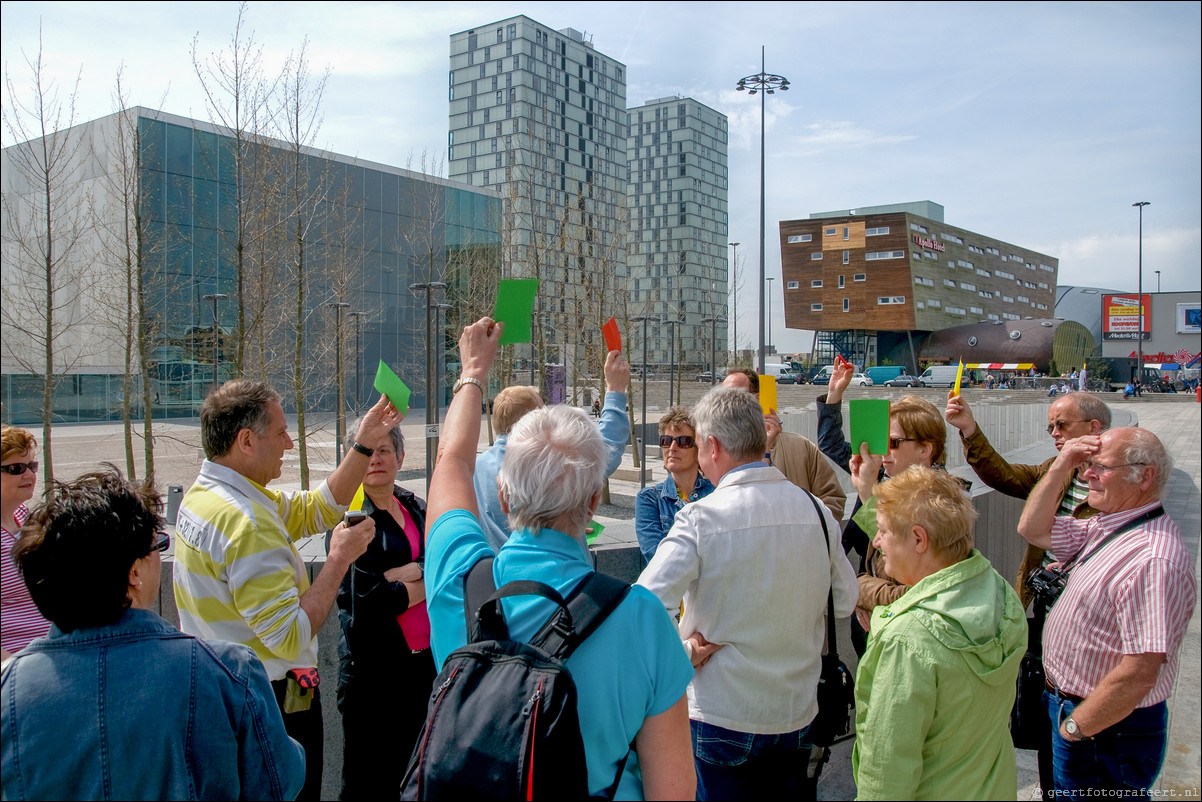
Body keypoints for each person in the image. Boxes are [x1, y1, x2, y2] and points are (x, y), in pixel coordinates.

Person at [424, 317, 696, 800]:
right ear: (593, 503)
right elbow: (672, 791)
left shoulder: (459, 577)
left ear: (504, 498)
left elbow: (452, 461)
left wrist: (473, 372)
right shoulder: (643, 619)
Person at [0, 466, 304, 801]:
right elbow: (279, 782)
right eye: (157, 546)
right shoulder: (227, 671)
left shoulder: (9, 690)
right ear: (134, 572)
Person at [173, 380, 402, 801]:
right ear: (245, 441)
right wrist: (338, 559)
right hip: (270, 707)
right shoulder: (248, 523)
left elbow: (318, 507)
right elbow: (291, 634)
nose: (289, 443)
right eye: (279, 432)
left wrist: (364, 445)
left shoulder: (207, 497)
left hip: (225, 697)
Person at [639, 386, 858, 801]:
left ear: (714, 447)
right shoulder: (814, 510)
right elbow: (844, 601)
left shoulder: (699, 518)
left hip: (723, 712)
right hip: (796, 711)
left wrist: (685, 653)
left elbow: (644, 608)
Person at [945, 388, 1109, 796]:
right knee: (1043, 713)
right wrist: (969, 429)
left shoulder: (1115, 481)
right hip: (1044, 606)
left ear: (1094, 428)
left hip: (1088, 621)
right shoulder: (1059, 468)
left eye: (1061, 425)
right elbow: (1005, 476)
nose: (1053, 432)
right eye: (1050, 426)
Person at [1017, 427, 1196, 800]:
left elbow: (1140, 672)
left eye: (1100, 467)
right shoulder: (1109, 525)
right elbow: (1031, 528)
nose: (1086, 475)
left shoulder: (1151, 559)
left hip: (1106, 726)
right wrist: (1062, 463)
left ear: (1145, 476)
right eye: (1086, 466)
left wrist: (1076, 728)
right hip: (1077, 711)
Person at [852, 466, 1027, 800]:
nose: (876, 541)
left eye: (884, 531)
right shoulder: (998, 591)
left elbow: (887, 770)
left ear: (919, 539)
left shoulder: (907, 640)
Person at [818, 359, 955, 656]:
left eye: (893, 443)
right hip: (872, 614)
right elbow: (830, 443)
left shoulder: (941, 502)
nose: (884, 451)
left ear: (925, 449)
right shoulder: (880, 471)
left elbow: (917, 588)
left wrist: (863, 593)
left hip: (900, 628)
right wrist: (834, 395)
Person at [330, 419, 433, 800]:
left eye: (385, 450)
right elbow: (371, 601)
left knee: (414, 780)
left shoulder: (417, 507)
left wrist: (417, 572)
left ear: (401, 456)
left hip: (423, 669)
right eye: (368, 451)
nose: (376, 459)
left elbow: (445, 566)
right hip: (373, 677)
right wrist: (425, 584)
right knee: (368, 786)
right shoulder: (352, 520)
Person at [474, 350, 631, 553]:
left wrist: (563, 522)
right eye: (543, 412)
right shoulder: (546, 460)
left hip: (498, 577)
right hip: (561, 575)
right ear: (531, 422)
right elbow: (607, 446)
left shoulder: (476, 467)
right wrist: (616, 391)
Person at [721, 368, 846, 521]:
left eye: (734, 397)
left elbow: (833, 500)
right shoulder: (716, 452)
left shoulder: (801, 447)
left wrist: (796, 527)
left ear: (757, 399)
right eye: (722, 398)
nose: (726, 405)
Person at [634, 406, 715, 563]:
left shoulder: (717, 492)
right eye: (666, 441)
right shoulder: (649, 499)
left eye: (683, 442)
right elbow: (657, 558)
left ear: (699, 449)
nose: (672, 448)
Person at [1, 425, 50, 660]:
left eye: (31, 466)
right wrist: (15, 670)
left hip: (50, 654)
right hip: (16, 670)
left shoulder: (23, 514)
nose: (30, 475)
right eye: (17, 468)